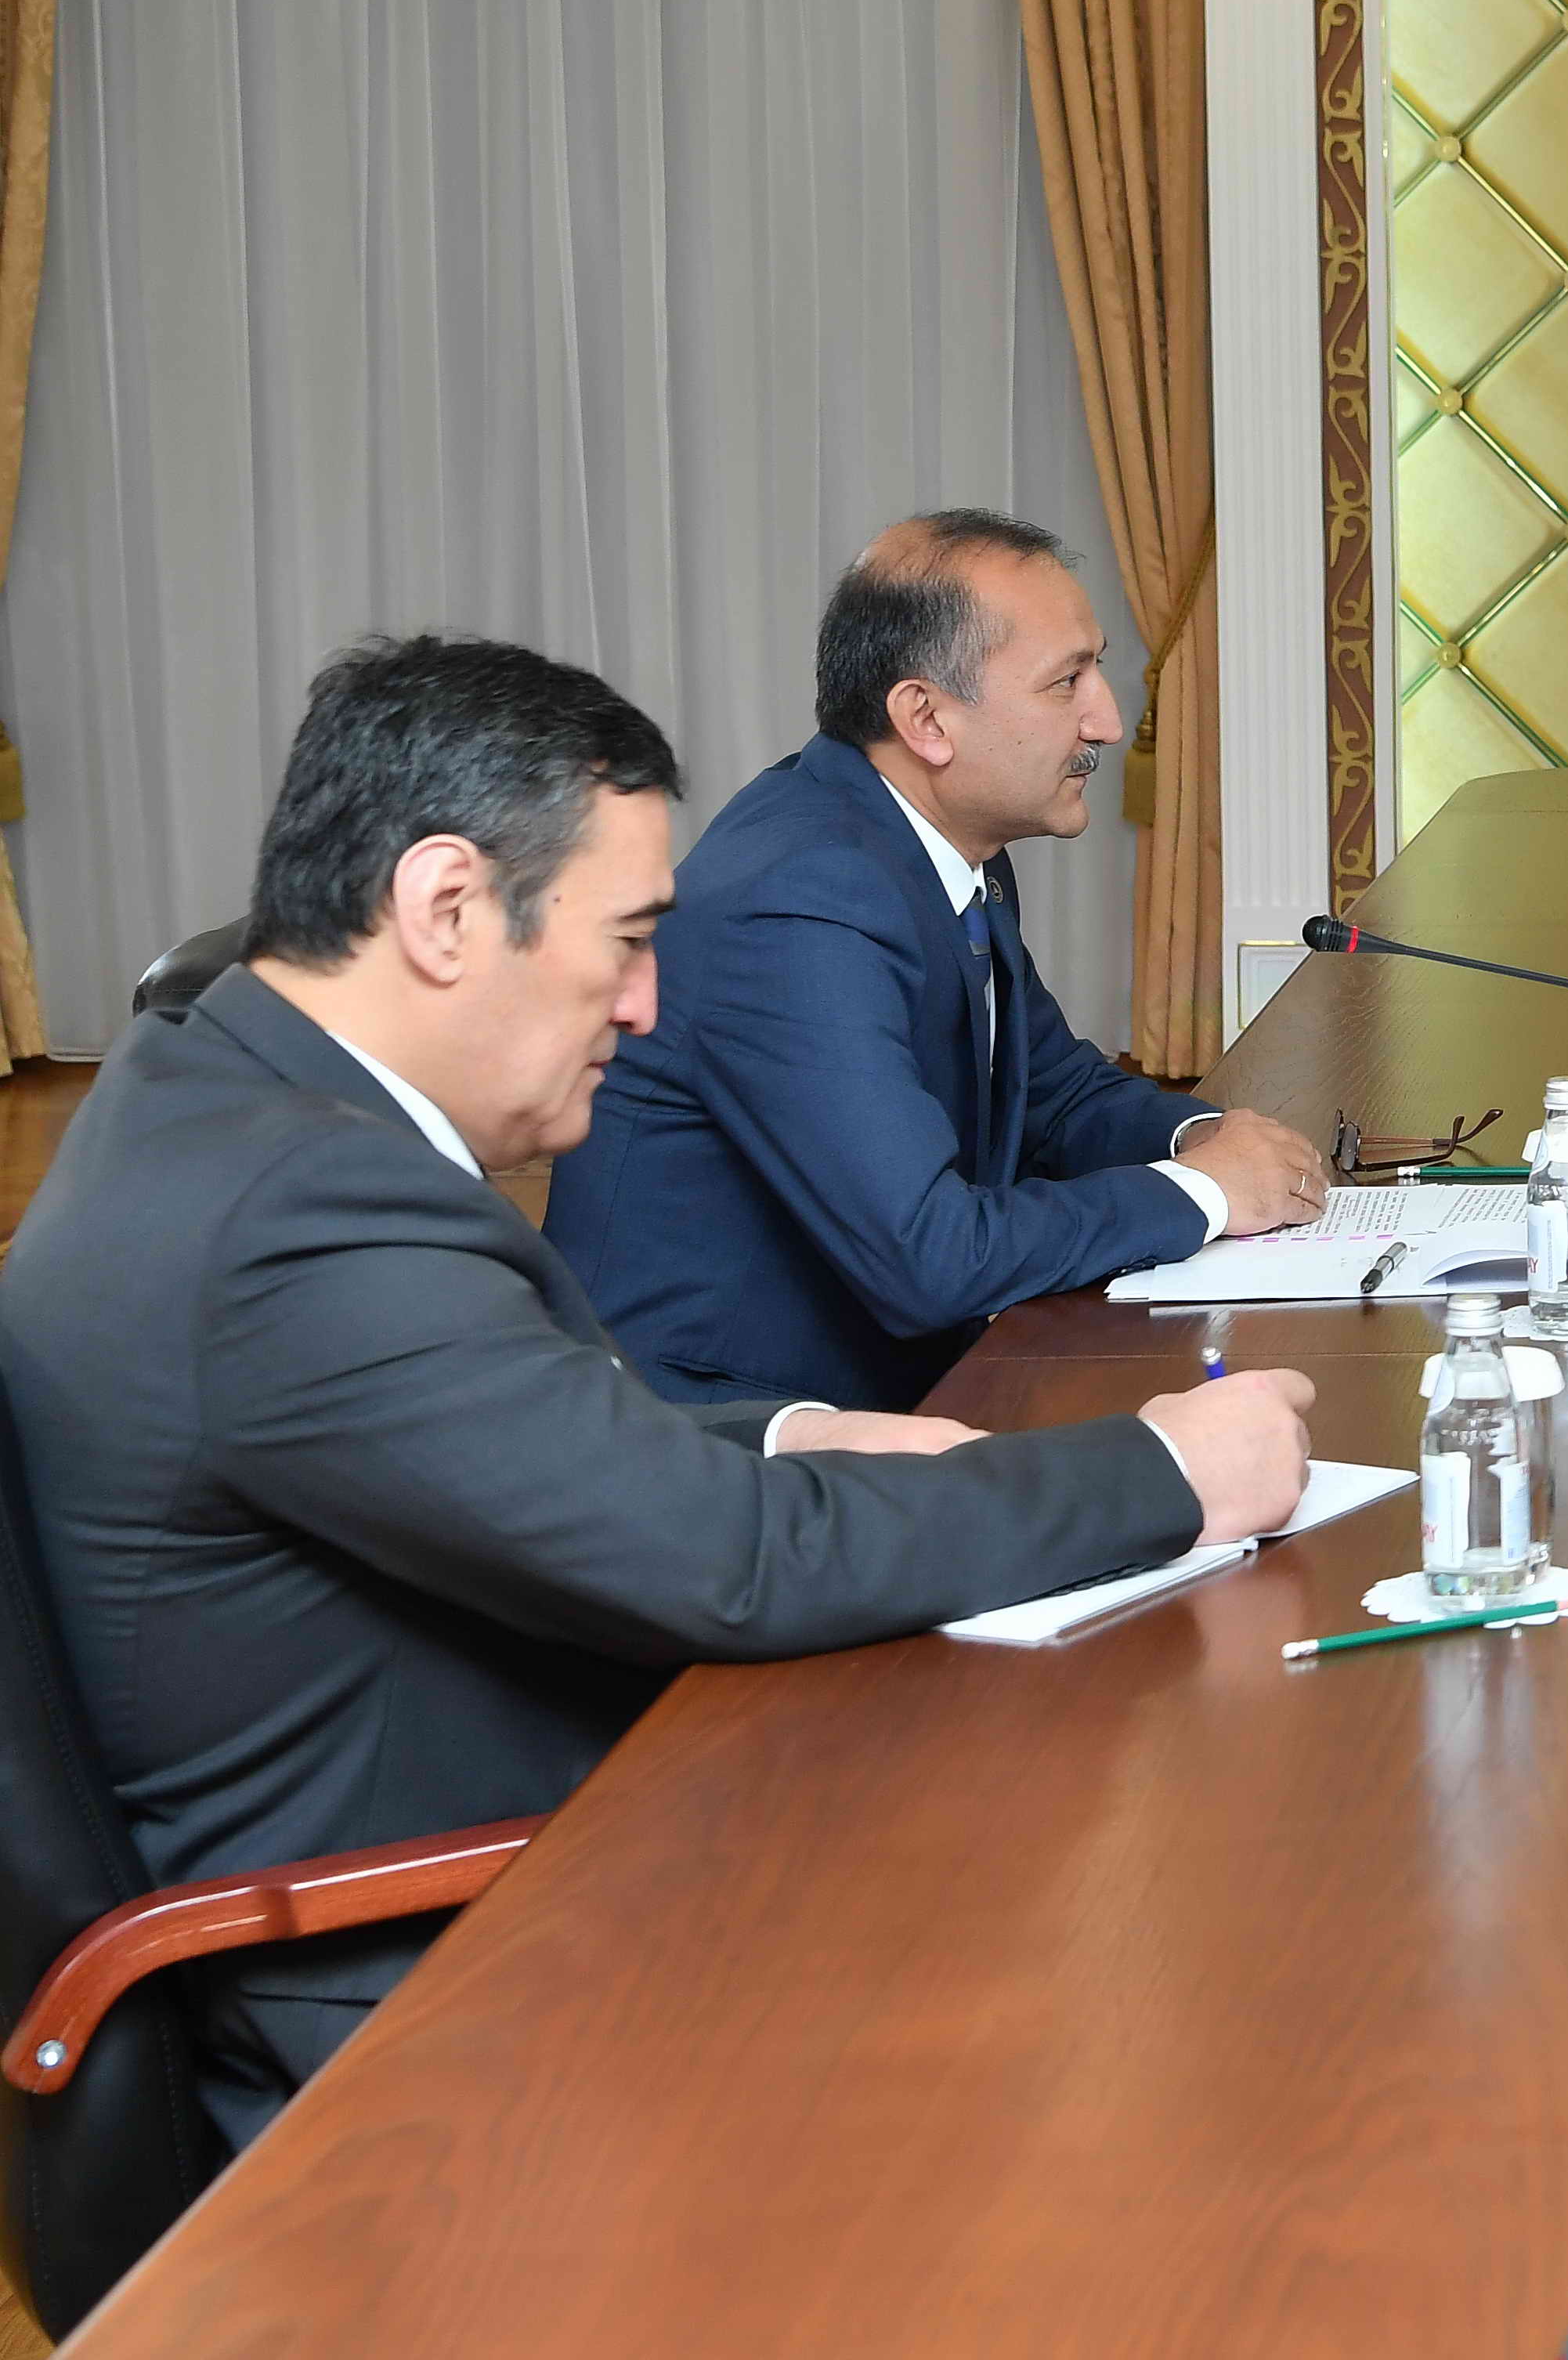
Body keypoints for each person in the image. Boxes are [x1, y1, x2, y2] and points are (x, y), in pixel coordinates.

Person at [0, 635, 1318, 2144]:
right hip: (448, 2006)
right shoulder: (304, 1216)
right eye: (627, 941)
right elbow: (726, 1559)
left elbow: (491, 1427)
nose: (644, 1007)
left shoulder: (212, 1092)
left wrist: (791, 1426)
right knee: (1158, 1985)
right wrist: (1165, 1472)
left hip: (528, 1850)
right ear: (445, 908)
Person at [548, 511, 1329, 1410]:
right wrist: (1204, 1193)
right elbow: (929, 1253)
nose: (1107, 721)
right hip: (724, 1425)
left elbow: (1051, 1093)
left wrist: (1209, 1140)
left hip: (889, 1379)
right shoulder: (800, 900)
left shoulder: (941, 844)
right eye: (1066, 681)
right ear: (925, 718)